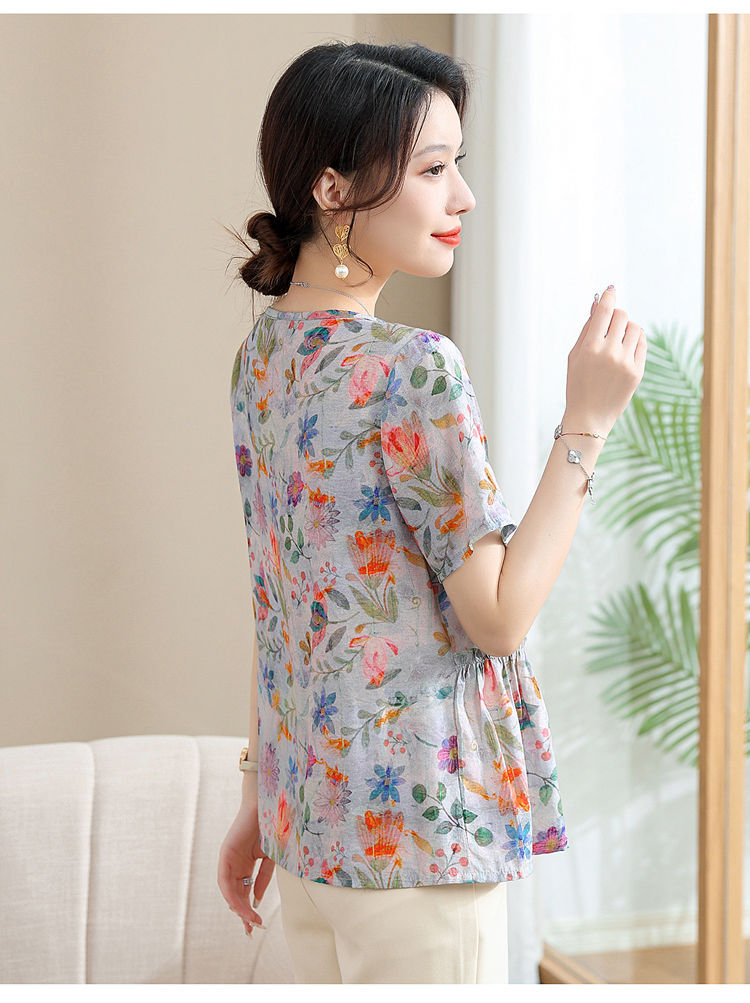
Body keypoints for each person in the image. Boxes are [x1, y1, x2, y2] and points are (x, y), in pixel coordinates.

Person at [217, 40, 647, 985]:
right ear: (333, 189)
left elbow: (282, 606)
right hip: (418, 838)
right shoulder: (413, 369)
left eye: (458, 165)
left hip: (310, 831)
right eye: (432, 169)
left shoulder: (263, 359)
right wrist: (587, 420)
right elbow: (497, 617)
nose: (465, 196)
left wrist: (260, 791)